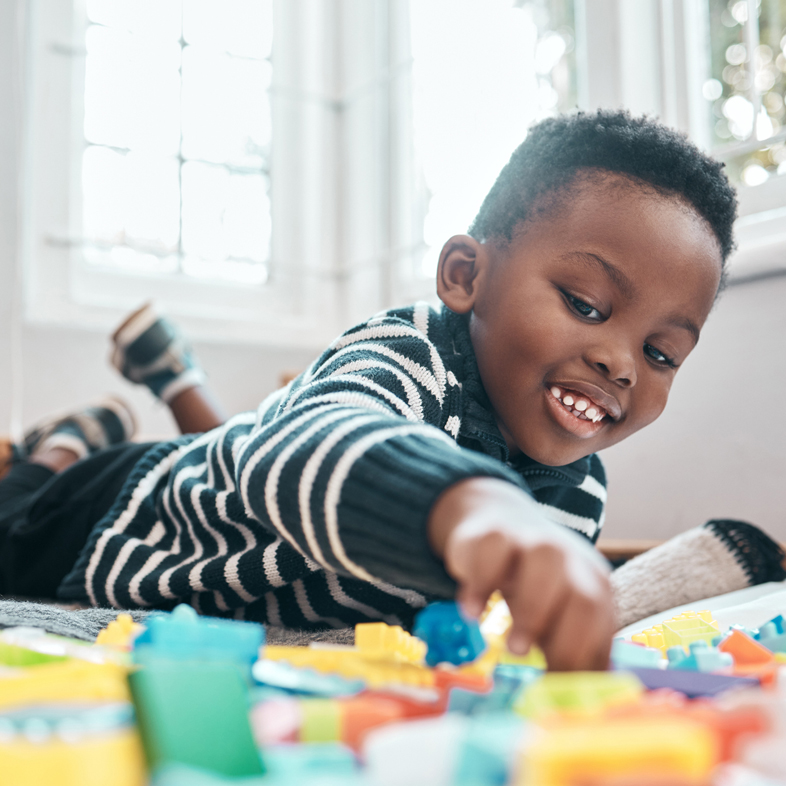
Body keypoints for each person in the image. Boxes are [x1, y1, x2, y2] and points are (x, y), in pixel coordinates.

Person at [0, 110, 747, 670]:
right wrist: (474, 505)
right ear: (465, 276)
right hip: (114, 518)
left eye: (661, 353)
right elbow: (315, 443)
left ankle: (87, 428)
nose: (621, 364)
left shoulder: (580, 494)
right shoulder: (411, 352)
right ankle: (68, 444)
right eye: (584, 305)